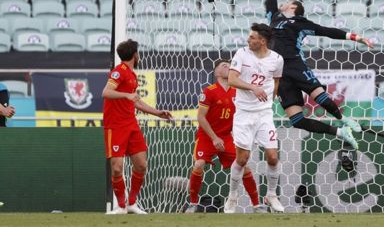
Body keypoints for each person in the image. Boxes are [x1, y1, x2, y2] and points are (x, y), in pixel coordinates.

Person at [263, 0, 372, 151]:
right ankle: (340, 132)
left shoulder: (300, 23)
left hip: (294, 64)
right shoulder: (274, 16)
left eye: (288, 2)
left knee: (319, 97)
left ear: (294, 7)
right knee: (296, 119)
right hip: (277, 72)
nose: (283, 3)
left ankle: (343, 119)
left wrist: (355, 37)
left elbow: (327, 31)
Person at [102, 39, 173, 215]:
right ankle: (121, 206)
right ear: (135, 55)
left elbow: (136, 101)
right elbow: (106, 92)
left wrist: (157, 113)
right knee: (117, 167)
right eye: (138, 52)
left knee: (141, 165)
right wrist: (126, 95)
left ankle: (132, 203)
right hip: (115, 125)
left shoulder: (132, 75)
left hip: (131, 124)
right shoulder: (119, 72)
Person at [186, 60, 265, 213]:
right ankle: (193, 203)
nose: (228, 67)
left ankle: (257, 205)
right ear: (216, 73)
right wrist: (214, 138)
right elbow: (201, 117)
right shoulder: (209, 91)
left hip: (227, 137)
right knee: (198, 164)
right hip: (207, 136)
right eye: (223, 65)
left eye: (229, 65)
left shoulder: (238, 92)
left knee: (244, 167)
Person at [225, 24, 285, 213]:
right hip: (243, 113)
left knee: (273, 157)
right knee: (242, 159)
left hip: (264, 113)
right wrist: (253, 88)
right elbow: (232, 80)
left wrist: (270, 100)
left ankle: (272, 195)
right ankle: (232, 196)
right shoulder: (242, 54)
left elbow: (276, 82)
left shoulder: (277, 59)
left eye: (252, 37)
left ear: (262, 41)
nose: (248, 40)